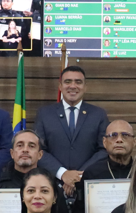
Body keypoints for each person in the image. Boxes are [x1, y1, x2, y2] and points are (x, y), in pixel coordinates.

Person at [35, 66, 110, 197]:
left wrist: (79, 175)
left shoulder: (98, 114)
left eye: (78, 82)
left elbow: (104, 149)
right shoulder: (44, 114)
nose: (73, 86)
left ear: (85, 87)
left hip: (88, 186)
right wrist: (63, 173)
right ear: (60, 86)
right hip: (52, 186)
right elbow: (39, 150)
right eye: (68, 81)